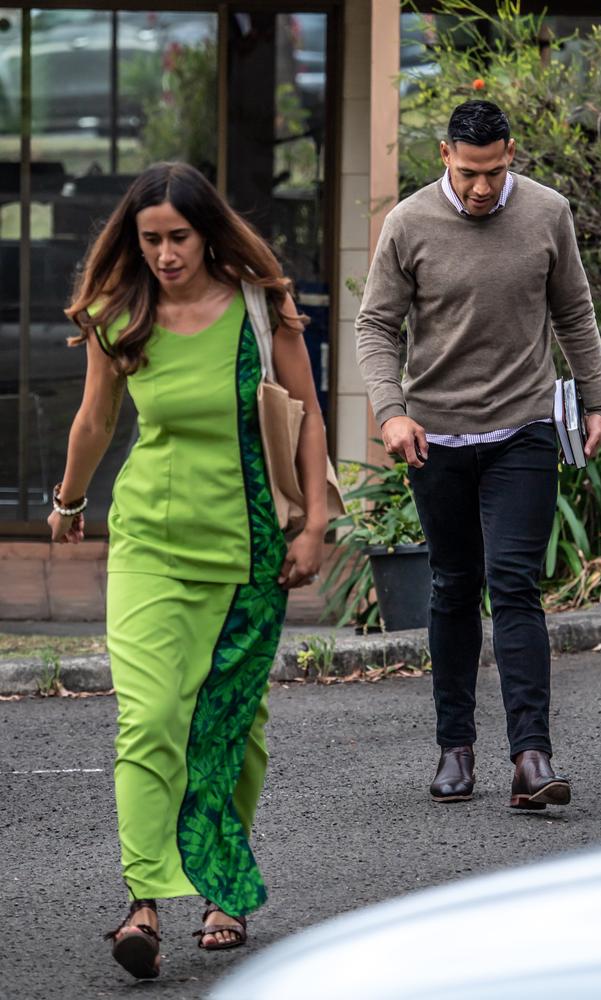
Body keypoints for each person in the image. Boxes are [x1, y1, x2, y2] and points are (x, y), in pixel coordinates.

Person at [48, 162, 328, 979]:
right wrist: (66, 501)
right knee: (149, 717)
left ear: (208, 232)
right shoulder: (120, 315)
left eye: (177, 237)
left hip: (248, 551)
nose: (165, 254)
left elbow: (305, 416)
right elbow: (97, 419)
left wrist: (314, 524)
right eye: (150, 240)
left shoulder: (258, 307)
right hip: (150, 545)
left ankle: (222, 889)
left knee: (229, 732)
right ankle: (142, 903)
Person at [355, 100, 601, 810]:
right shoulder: (409, 223)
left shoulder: (546, 211)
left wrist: (596, 398)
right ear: (445, 155)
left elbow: (574, 309)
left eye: (495, 172)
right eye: (469, 173)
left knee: (516, 583)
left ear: (511, 154)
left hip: (522, 426)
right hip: (434, 435)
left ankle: (532, 758)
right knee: (453, 584)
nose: (481, 188)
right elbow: (376, 324)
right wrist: (392, 412)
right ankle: (455, 748)